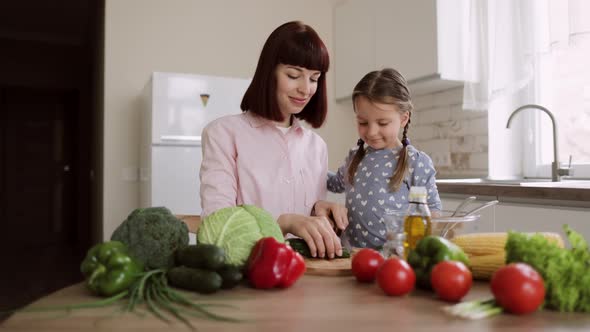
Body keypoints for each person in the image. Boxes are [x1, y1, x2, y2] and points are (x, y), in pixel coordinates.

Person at [200, 21, 347, 259]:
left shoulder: (316, 147)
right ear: (270, 73)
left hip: (306, 274)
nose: (305, 89)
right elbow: (218, 230)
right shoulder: (223, 134)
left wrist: (319, 211)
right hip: (250, 278)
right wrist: (285, 223)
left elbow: (306, 218)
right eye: (293, 75)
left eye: (314, 78)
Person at [327, 68, 442, 249]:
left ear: (403, 119)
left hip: (395, 258)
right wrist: (306, 163)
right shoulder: (354, 158)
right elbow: (334, 183)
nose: (372, 132)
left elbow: (433, 212)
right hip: (352, 256)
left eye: (382, 123)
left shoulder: (416, 162)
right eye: (363, 122)